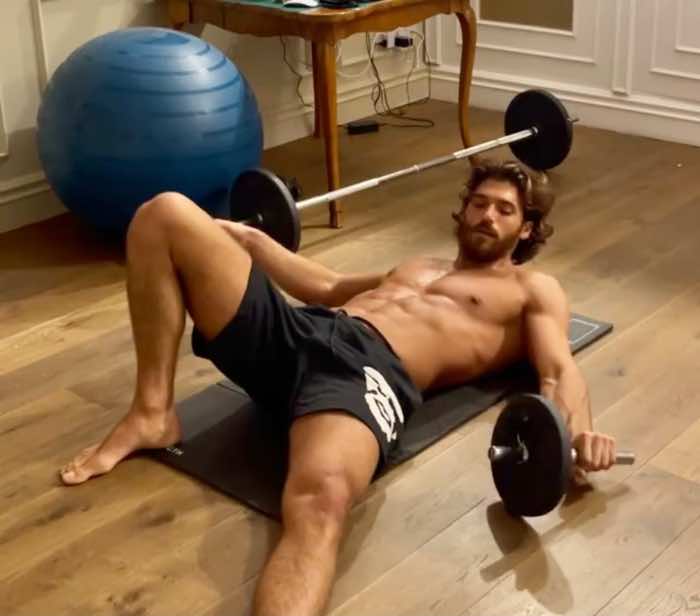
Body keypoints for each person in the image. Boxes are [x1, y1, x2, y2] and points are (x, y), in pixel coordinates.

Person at [60, 159, 617, 616]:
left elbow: (558, 370)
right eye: (479, 203)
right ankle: (153, 411)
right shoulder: (418, 265)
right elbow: (327, 287)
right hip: (305, 331)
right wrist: (250, 239)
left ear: (526, 229)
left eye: (504, 210)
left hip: (367, 373)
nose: (487, 216)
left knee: (319, 501)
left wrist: (578, 435)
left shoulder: (532, 290)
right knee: (164, 212)